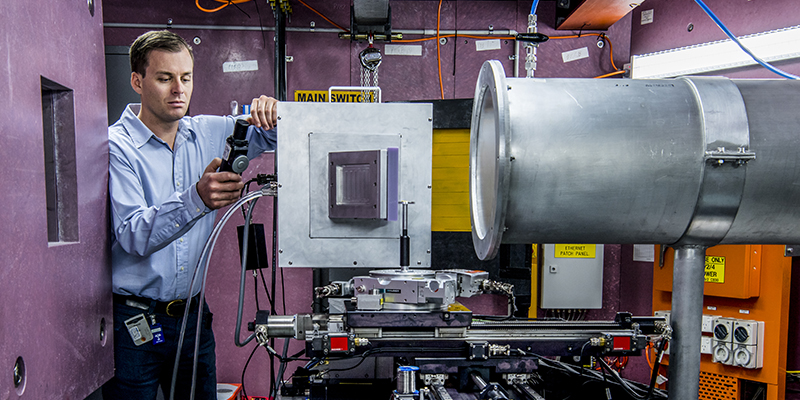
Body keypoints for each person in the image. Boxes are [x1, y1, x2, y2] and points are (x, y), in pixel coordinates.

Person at [103, 30, 278, 400]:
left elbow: (279, 136)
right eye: (165, 78)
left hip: (194, 319)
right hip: (135, 323)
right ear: (137, 80)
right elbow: (133, 235)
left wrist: (275, 113)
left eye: (186, 77)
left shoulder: (208, 132)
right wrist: (197, 198)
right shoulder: (115, 147)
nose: (178, 89)